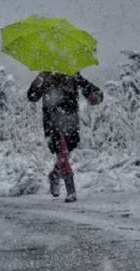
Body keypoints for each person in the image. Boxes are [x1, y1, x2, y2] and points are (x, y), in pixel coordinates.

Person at [27, 71, 103, 202]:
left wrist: (95, 95)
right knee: (62, 151)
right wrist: (39, 83)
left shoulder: (72, 74)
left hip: (70, 121)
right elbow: (32, 96)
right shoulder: (45, 76)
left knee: (67, 151)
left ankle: (55, 174)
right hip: (52, 122)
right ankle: (71, 190)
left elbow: (88, 88)